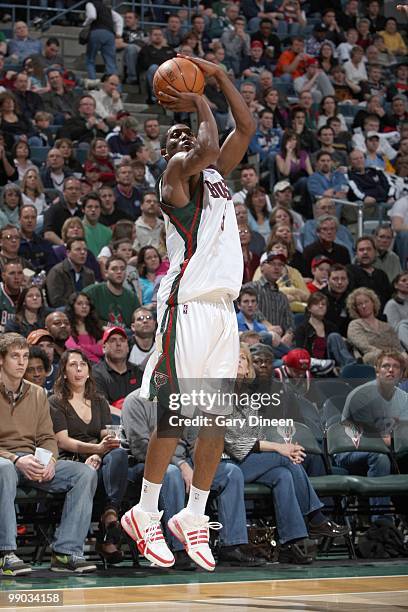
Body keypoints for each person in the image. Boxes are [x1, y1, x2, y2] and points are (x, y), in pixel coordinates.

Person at [121, 54, 255, 571]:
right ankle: (146, 511)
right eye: (172, 134)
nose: (183, 139)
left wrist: (219, 76)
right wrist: (198, 100)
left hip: (224, 311)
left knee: (215, 418)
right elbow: (202, 147)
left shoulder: (219, 176)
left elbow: (243, 126)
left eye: (187, 131)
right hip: (188, 307)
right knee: (174, 414)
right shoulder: (176, 175)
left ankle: (194, 514)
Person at [223, 345, 348, 564]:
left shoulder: (249, 398)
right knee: (285, 459)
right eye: (235, 358)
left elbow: (255, 435)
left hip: (246, 461)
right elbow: (233, 442)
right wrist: (280, 448)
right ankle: (315, 518)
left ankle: (293, 542)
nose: (240, 362)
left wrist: (282, 448)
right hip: (223, 464)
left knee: (284, 474)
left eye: (243, 359)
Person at [0, 333, 98, 575]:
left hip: (30, 460)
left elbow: (46, 436)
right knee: (3, 470)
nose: (22, 362)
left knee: (84, 473)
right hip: (5, 461)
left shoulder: (37, 393)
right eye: (15, 357)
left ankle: (66, 552)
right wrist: (15, 459)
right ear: (1, 360)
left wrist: (51, 460)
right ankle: (5, 554)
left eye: (25, 356)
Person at [50, 348, 128, 564]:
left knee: (119, 454)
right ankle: (107, 528)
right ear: (64, 372)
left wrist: (105, 446)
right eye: (73, 365)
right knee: (101, 468)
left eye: (83, 364)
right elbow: (63, 441)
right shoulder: (56, 401)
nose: (78, 369)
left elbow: (105, 433)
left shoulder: (99, 400)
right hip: (71, 460)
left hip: (98, 459)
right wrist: (95, 450)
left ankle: (110, 513)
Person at [335, 350, 408, 521]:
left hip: (391, 450)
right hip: (350, 450)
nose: (390, 370)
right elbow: (371, 439)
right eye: (386, 366)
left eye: (396, 367)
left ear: (402, 373)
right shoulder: (361, 396)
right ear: (377, 370)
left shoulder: (404, 399)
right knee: (379, 456)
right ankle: (382, 525)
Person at [295, 291, 354, 368]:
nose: (320, 306)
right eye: (316, 304)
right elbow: (301, 353)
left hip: (333, 364)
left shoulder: (332, 327)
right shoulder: (302, 329)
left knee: (334, 336)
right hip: (313, 364)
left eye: (323, 304)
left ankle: (351, 367)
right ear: (309, 308)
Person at [92, 326, 142, 416]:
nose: (118, 343)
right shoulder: (95, 373)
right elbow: (101, 407)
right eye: (112, 340)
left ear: (127, 348)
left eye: (122, 340)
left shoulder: (139, 372)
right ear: (103, 348)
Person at [346, 288, 402, 364]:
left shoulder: (387, 326)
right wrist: (386, 355)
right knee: (373, 356)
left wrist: (399, 355)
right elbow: (365, 347)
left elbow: (398, 348)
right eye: (359, 304)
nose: (364, 306)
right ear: (355, 308)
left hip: (394, 357)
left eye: (366, 301)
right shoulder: (355, 324)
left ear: (373, 302)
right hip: (372, 357)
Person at [83, 255, 140, 329]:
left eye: (122, 269)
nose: (119, 272)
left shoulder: (132, 297)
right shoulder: (91, 292)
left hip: (126, 336)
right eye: (114, 269)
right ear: (106, 273)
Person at [46, 238, 95, 308]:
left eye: (85, 250)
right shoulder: (57, 272)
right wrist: (77, 306)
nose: (83, 252)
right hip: (64, 312)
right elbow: (55, 301)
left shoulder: (89, 274)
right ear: (68, 253)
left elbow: (91, 299)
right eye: (78, 249)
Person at [347, 236, 392, 309]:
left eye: (369, 249)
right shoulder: (349, 271)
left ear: (375, 252)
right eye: (361, 250)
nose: (365, 252)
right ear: (356, 253)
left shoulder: (381, 275)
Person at [84, 1, 123, 79]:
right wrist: (119, 33)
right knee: (110, 63)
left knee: (90, 60)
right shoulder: (107, 9)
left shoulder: (90, 3)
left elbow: (92, 16)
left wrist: (85, 24)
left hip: (96, 32)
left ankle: (93, 83)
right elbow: (119, 18)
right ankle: (116, 87)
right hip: (110, 34)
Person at [65, 292, 104, 363]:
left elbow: (102, 350)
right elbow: (75, 350)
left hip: (98, 363)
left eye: (87, 304)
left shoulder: (95, 325)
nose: (84, 306)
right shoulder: (67, 326)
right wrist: (93, 348)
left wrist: (82, 347)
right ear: (72, 306)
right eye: (79, 304)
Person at [384, 272, 408, 351]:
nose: (407, 282)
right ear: (396, 285)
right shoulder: (391, 304)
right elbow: (393, 329)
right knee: (402, 325)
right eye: (404, 280)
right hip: (400, 340)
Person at [0, 260, 24, 333]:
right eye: (12, 273)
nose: (16, 277)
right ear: (3, 276)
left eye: (20, 273)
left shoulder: (28, 294)